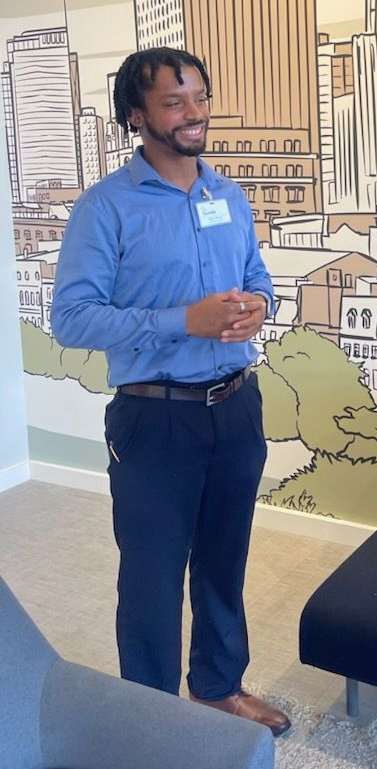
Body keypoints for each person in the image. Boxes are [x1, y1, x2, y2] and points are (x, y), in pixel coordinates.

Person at [51, 47, 291, 737]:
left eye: (200, 98)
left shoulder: (228, 194)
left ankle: (219, 687)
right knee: (153, 581)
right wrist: (182, 320)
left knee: (224, 561)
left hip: (237, 406)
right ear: (137, 114)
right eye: (174, 101)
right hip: (154, 418)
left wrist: (259, 307)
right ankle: (148, 722)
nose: (194, 114)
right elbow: (71, 317)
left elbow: (257, 277)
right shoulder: (106, 208)